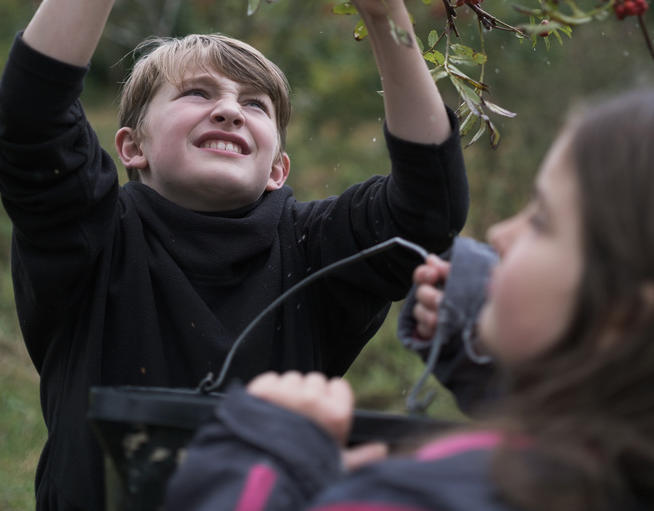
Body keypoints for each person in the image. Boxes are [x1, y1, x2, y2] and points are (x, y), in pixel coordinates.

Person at [0, 0, 469, 511]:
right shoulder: (93, 241)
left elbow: (427, 208)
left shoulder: (312, 252)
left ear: (279, 167)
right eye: (196, 95)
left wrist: (384, 10)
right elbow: (31, 120)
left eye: (253, 105)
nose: (226, 108)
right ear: (131, 148)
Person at [164, 87, 654, 511]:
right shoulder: (610, 464)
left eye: (542, 219)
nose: (501, 232)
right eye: (196, 94)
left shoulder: (416, 498)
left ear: (624, 314)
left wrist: (264, 458)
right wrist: (485, 348)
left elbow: (423, 205)